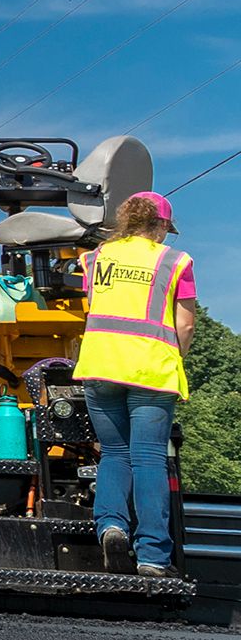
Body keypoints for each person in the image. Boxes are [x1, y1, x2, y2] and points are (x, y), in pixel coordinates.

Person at [73, 190, 197, 578]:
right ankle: (153, 557)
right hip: (149, 371)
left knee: (113, 453)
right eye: (165, 229)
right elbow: (186, 323)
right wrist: (175, 355)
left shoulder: (93, 259)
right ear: (159, 225)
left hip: (99, 365)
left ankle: (111, 526)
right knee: (148, 459)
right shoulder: (176, 261)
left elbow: (96, 305)